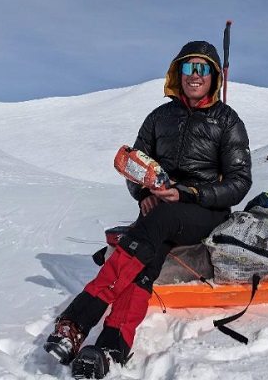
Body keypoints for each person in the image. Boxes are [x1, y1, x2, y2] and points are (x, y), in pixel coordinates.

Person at [44, 40, 252, 378]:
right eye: (188, 67)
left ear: (214, 76)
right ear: (177, 72)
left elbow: (239, 182)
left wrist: (188, 192)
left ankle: (76, 321)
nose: (194, 75)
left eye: (202, 69)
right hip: (160, 212)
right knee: (147, 259)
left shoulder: (227, 121)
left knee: (162, 219)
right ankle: (112, 347)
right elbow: (135, 165)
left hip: (204, 209)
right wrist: (143, 194)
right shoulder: (158, 118)